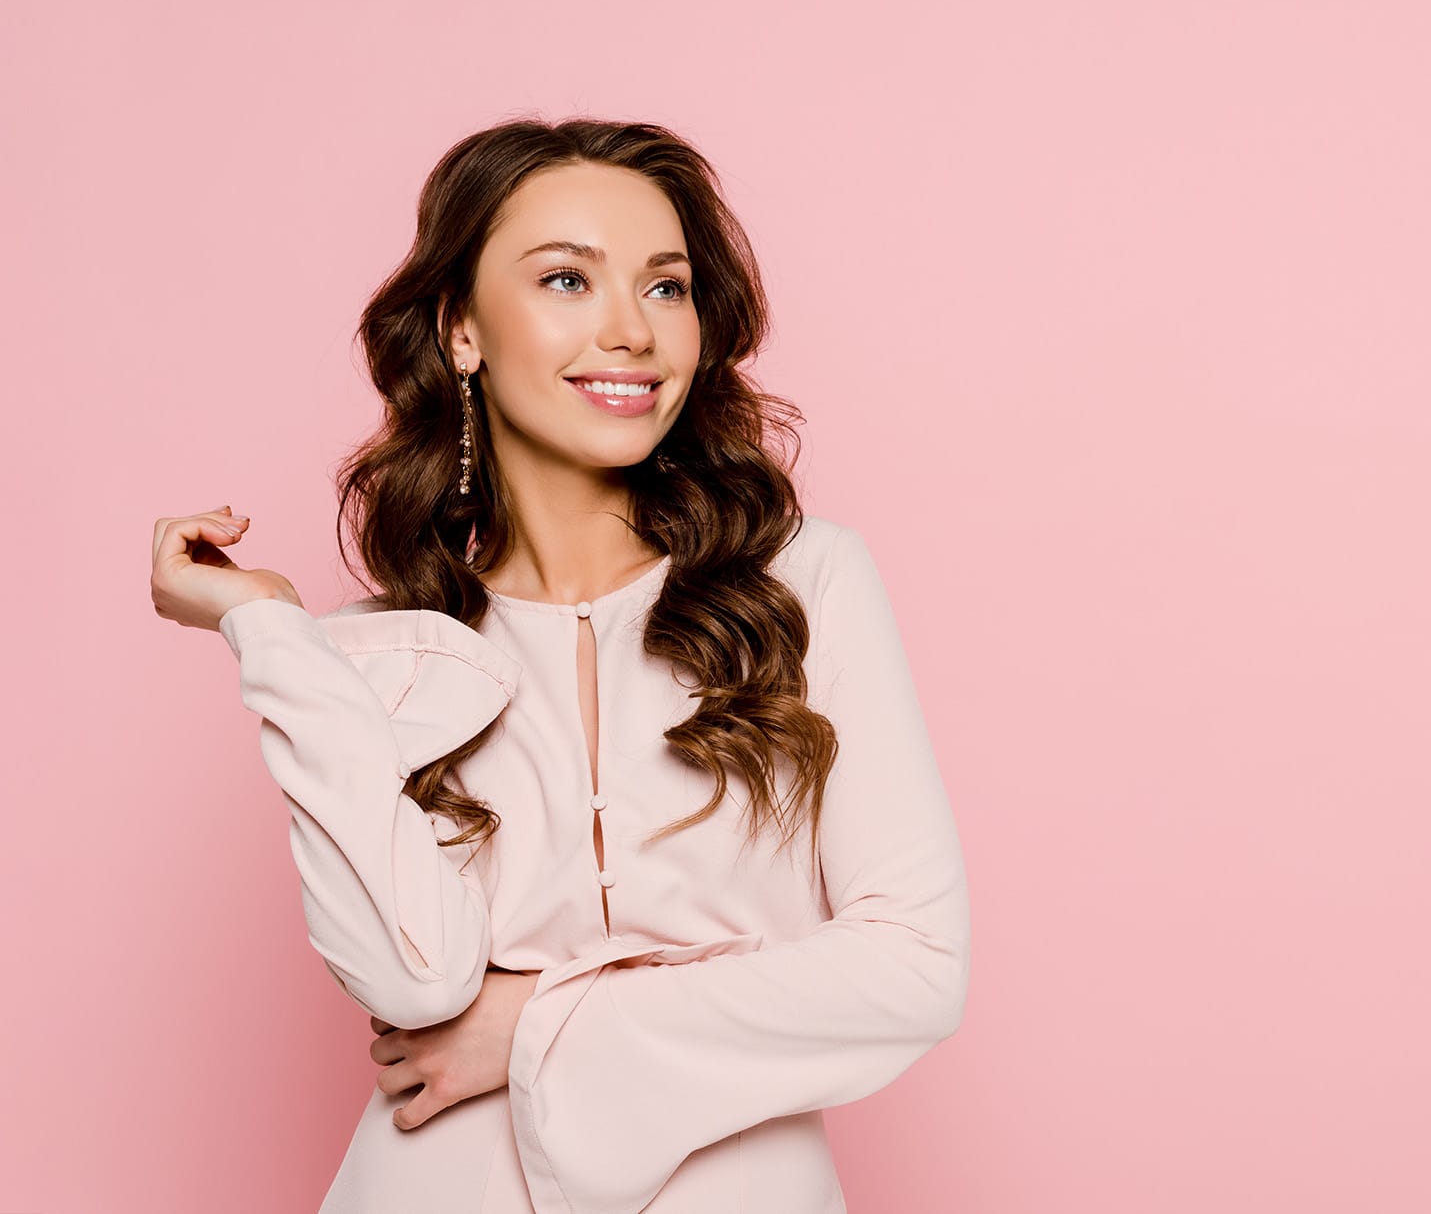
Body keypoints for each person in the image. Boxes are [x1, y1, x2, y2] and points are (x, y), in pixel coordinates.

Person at [151, 118, 971, 1214]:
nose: (631, 330)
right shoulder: (382, 659)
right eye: (566, 279)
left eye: (667, 288)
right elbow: (410, 980)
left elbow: (913, 967)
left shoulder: (802, 585)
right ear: (461, 332)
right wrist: (269, 630)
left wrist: (530, 1024)